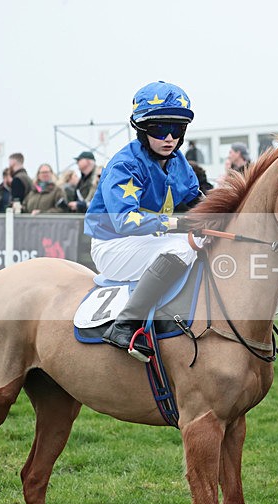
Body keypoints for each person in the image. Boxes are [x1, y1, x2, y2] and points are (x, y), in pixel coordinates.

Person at [85, 81, 201, 361]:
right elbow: (125, 220)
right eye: (160, 129)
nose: (169, 137)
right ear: (141, 129)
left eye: (177, 129)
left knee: (206, 238)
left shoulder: (178, 161)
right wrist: (178, 224)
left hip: (147, 241)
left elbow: (199, 201)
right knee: (182, 246)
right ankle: (125, 324)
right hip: (112, 244)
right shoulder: (124, 164)